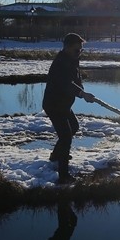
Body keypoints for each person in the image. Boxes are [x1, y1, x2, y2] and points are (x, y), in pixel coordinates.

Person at [43, 33, 95, 184]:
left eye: (81, 50)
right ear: (67, 48)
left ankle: (56, 155)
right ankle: (63, 176)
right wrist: (81, 93)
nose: (79, 53)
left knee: (74, 126)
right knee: (66, 137)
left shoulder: (72, 60)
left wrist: (83, 91)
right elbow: (66, 84)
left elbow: (76, 81)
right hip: (54, 105)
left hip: (63, 104)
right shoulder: (60, 63)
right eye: (76, 50)